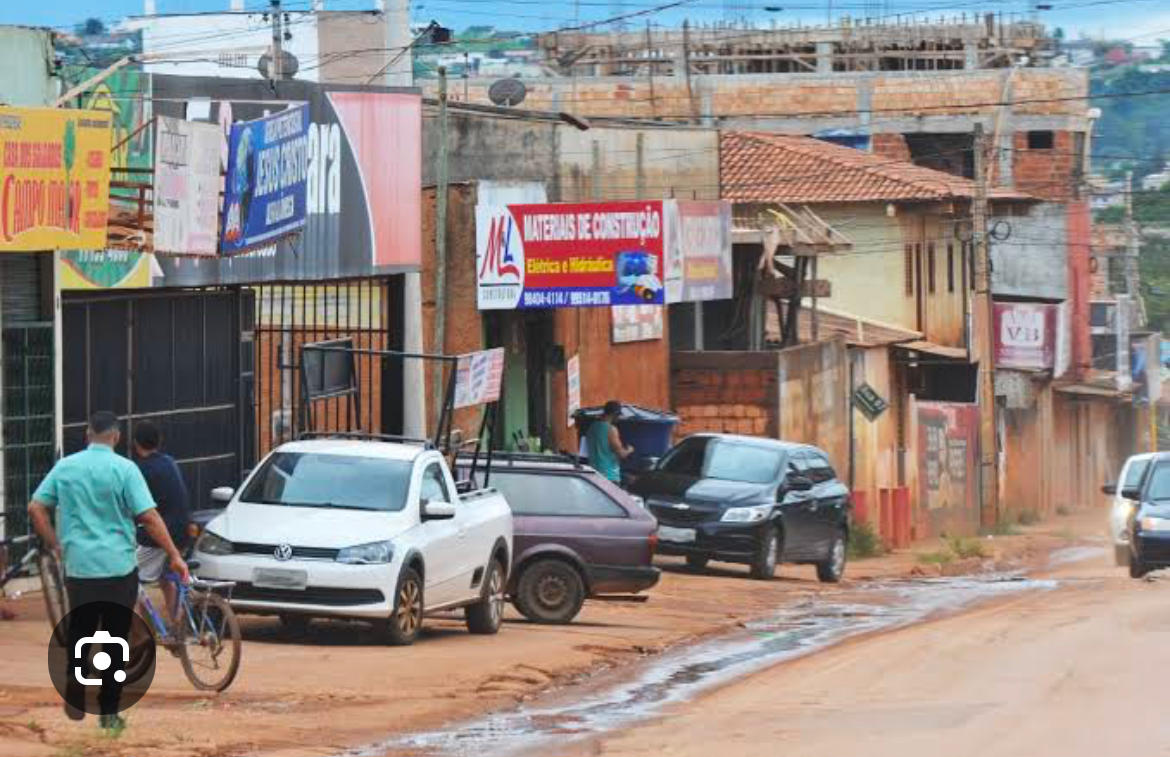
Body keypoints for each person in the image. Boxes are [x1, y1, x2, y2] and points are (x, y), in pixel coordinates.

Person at [27, 411, 189, 732]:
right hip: (118, 567)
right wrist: (174, 555)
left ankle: (75, 688)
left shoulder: (66, 467)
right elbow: (151, 518)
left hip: (80, 567)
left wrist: (55, 544)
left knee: (82, 630)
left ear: (88, 434)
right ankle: (109, 712)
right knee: (115, 638)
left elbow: (36, 507)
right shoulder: (125, 470)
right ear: (116, 437)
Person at [132, 420, 191, 624]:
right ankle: (177, 626)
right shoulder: (169, 461)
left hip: (160, 535)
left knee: (128, 577)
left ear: (135, 443)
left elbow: (139, 510)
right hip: (183, 531)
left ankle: (140, 630)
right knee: (165, 578)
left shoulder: (141, 470)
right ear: (159, 441)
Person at [585, 400, 635, 484]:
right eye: (618, 415)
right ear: (614, 414)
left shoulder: (592, 427)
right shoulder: (611, 429)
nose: (619, 418)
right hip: (609, 475)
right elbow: (621, 454)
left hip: (593, 474)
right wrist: (630, 450)